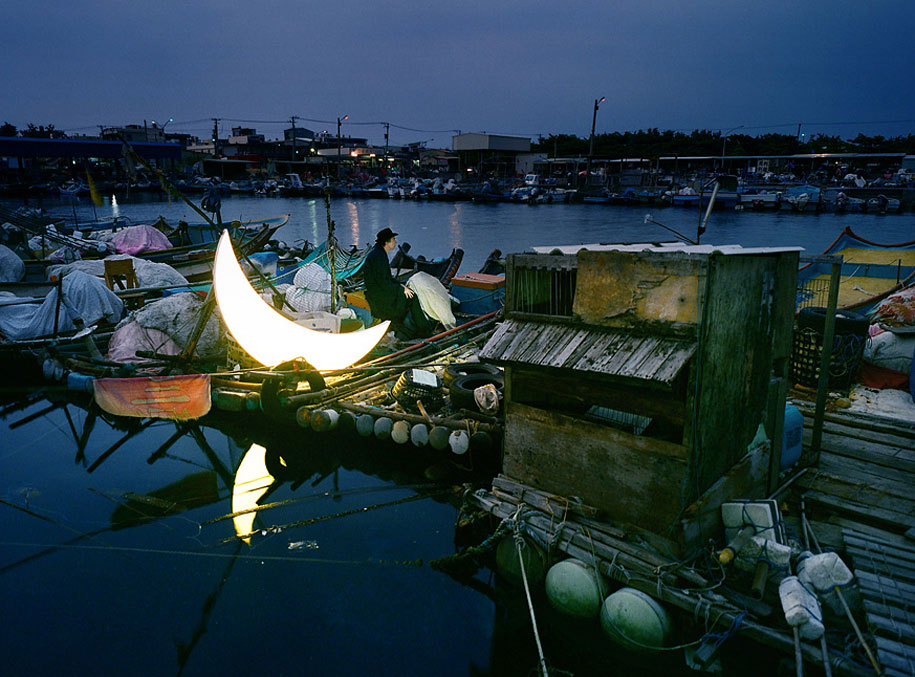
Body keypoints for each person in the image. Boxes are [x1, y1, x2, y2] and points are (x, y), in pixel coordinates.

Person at [362, 227, 433, 339]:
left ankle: (406, 327)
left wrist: (400, 285)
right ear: (386, 243)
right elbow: (383, 283)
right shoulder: (378, 256)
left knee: (407, 293)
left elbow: (387, 279)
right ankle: (425, 330)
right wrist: (401, 289)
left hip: (380, 291)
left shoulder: (379, 253)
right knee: (412, 297)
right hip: (378, 296)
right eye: (393, 239)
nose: (396, 242)